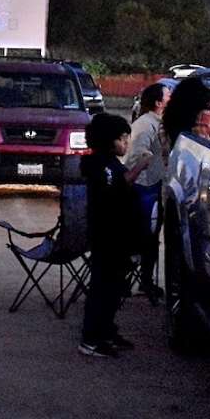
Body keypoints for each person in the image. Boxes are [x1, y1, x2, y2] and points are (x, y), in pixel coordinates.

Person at [80, 113, 150, 358]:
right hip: (106, 237)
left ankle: (107, 330)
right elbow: (118, 187)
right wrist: (141, 165)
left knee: (115, 288)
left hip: (119, 238)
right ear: (109, 140)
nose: (126, 144)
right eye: (123, 139)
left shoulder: (111, 164)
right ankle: (91, 338)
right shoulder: (100, 166)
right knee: (102, 288)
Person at [124, 82, 170, 301]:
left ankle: (145, 280)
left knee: (150, 238)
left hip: (153, 186)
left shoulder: (157, 123)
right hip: (145, 188)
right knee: (143, 237)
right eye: (168, 97)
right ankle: (135, 281)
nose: (171, 100)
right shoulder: (145, 125)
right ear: (158, 103)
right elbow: (137, 155)